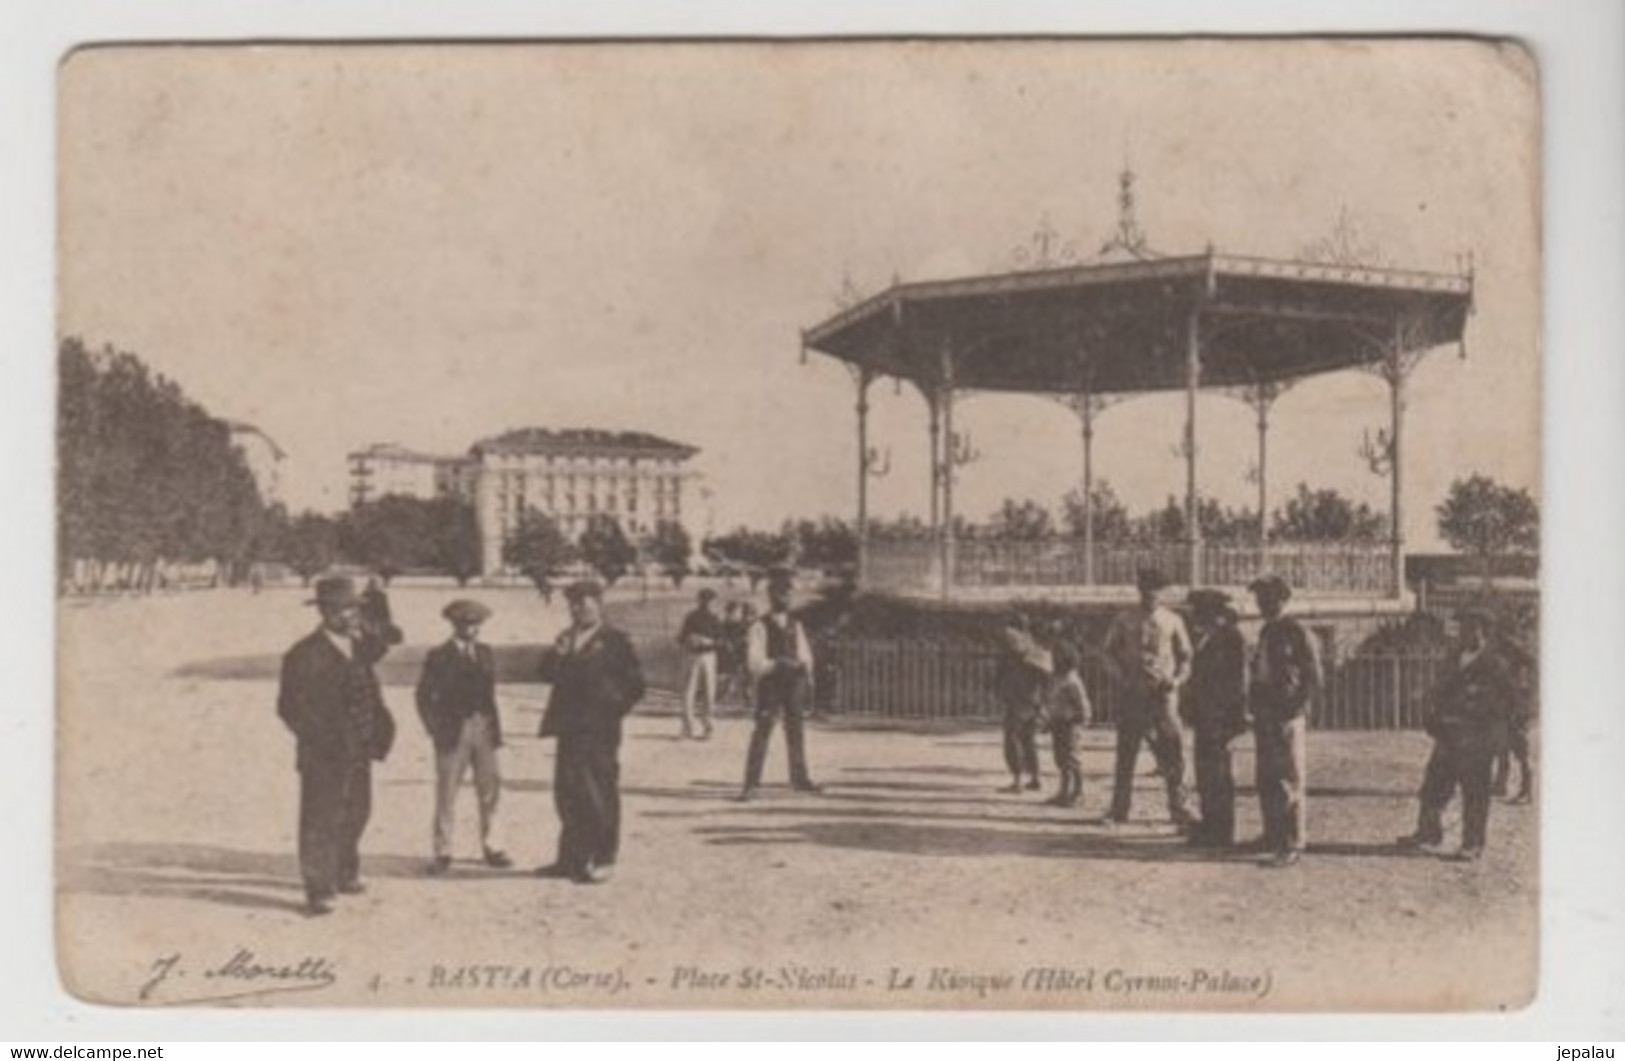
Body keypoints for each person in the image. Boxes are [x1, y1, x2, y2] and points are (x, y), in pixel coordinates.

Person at [276, 576, 398, 916]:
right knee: (320, 819)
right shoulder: (304, 654)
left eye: (355, 608)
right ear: (326, 612)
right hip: (324, 754)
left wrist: (377, 731)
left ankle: (346, 872)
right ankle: (319, 889)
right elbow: (289, 708)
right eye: (345, 609)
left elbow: (380, 649)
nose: (352, 615)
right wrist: (322, 739)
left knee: (357, 812)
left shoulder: (359, 646)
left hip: (359, 749)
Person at [535, 580, 646, 884]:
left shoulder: (615, 641)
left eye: (583, 603)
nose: (577, 609)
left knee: (600, 792)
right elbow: (545, 675)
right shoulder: (565, 638)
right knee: (568, 791)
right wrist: (556, 655)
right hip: (569, 728)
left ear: (599, 604)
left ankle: (603, 857)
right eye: (573, 604)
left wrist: (610, 711)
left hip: (599, 730)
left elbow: (635, 686)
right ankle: (570, 858)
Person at [1398, 609, 1518, 862]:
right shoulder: (1453, 659)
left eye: (1470, 628)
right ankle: (1428, 834)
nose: (1464, 633)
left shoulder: (1495, 665)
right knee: (1433, 787)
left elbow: (1508, 703)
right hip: (1448, 736)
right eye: (1462, 628)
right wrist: (1433, 719)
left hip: (1477, 740)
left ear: (1483, 633)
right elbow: (1438, 691)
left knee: (1475, 794)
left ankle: (1472, 844)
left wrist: (1494, 733)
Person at [415, 599, 511, 876]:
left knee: (490, 789)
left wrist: (493, 729)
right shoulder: (439, 655)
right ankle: (443, 851)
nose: (472, 629)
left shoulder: (485, 653)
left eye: (476, 624)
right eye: (467, 624)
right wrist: (435, 728)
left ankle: (493, 846)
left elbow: (489, 694)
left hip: (485, 728)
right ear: (454, 625)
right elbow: (423, 696)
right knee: (447, 792)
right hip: (452, 731)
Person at [1100, 568, 1194, 827]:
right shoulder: (1124, 619)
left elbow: (1186, 657)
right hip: (1133, 694)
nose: (1150, 595)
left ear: (1163, 593)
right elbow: (1107, 653)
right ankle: (1119, 809)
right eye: (1146, 589)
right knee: (1126, 753)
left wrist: (1176, 680)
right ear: (1139, 590)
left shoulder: (1173, 620)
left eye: (1156, 590)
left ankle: (1180, 807)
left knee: (1173, 753)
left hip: (1163, 697)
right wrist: (1121, 676)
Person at [1247, 574, 1321, 868]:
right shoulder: (1267, 631)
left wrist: (1300, 705)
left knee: (1289, 778)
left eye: (1267, 598)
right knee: (1266, 777)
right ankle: (1272, 833)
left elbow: (1313, 674)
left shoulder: (1296, 631)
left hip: (1287, 712)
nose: (1261, 604)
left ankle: (1292, 841)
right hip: (1266, 711)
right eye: (1259, 599)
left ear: (1281, 600)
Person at [738, 567, 821, 800]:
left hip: (794, 684)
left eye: (788, 593)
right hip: (772, 684)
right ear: (771, 596)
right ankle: (751, 784)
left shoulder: (795, 624)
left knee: (796, 730)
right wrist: (777, 664)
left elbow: (805, 653)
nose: (785, 598)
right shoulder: (759, 626)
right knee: (763, 730)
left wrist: (804, 668)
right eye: (780, 593)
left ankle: (799, 778)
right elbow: (754, 661)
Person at [1182, 589, 1250, 848]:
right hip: (1205, 715)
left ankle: (1221, 831)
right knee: (1206, 772)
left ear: (1214, 613)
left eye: (1200, 612)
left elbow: (1239, 680)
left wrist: (1237, 716)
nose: (1197, 617)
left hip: (1220, 717)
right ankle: (1211, 825)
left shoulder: (1231, 638)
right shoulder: (1209, 638)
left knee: (1219, 774)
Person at [994, 614, 1049, 794]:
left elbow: (1002, 673)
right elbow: (1046, 677)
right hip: (1034, 700)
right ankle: (1035, 778)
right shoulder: (1036, 648)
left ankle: (1017, 780)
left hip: (1017, 699)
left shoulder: (1012, 647)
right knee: (1029, 740)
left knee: (1013, 739)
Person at [1043, 644, 1092, 808]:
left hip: (1070, 723)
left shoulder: (1072, 680)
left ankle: (1079, 792)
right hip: (1058, 722)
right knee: (1061, 759)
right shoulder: (1057, 678)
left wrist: (1081, 720)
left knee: (1072, 758)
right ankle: (1064, 791)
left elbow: (1083, 705)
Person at [676, 588, 724, 739]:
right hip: (692, 656)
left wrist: (708, 641)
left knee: (709, 692)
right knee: (688, 692)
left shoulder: (715, 619)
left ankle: (708, 727)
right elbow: (680, 638)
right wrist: (690, 640)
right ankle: (687, 727)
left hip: (709, 656)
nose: (707, 603)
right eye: (704, 600)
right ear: (699, 600)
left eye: (710, 600)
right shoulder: (691, 617)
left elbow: (721, 641)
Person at [359, 575, 405, 648]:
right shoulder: (367, 596)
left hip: (377, 622)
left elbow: (385, 613)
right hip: (372, 622)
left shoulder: (380, 596)